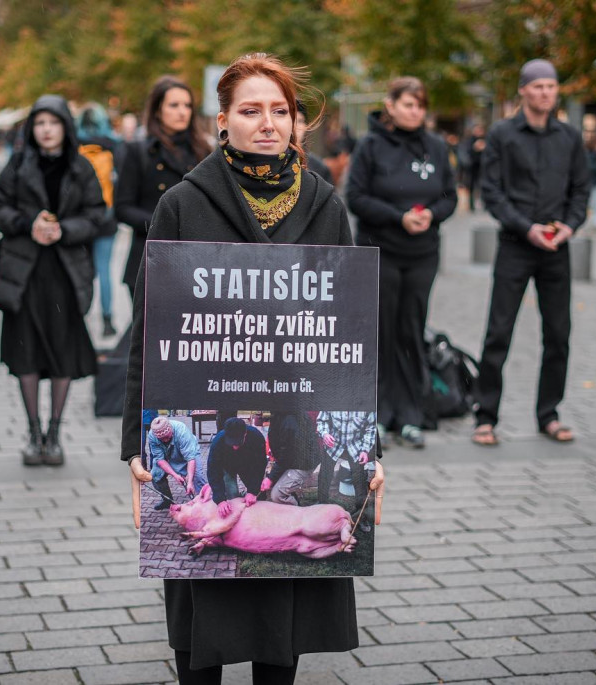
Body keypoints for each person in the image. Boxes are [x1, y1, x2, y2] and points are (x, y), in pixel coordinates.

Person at [122, 53, 385, 685]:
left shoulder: (325, 204)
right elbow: (150, 332)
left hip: (296, 409)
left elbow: (348, 333)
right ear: (222, 121)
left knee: (281, 620)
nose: (268, 123)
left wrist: (372, 447)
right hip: (205, 394)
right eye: (250, 110)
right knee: (204, 620)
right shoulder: (182, 204)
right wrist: (135, 443)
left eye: (280, 110)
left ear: (296, 121)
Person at [471, 59, 590, 446]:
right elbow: (492, 192)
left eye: (551, 86)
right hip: (516, 245)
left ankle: (549, 414)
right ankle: (485, 416)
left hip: (556, 248)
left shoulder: (569, 137)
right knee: (498, 332)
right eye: (538, 86)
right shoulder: (503, 134)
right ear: (523, 90)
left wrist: (570, 225)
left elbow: (581, 189)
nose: (545, 93)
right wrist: (526, 227)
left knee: (558, 334)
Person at [0, 95, 104, 465]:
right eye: (40, 123)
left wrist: (64, 230)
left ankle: (54, 433)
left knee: (62, 352)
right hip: (25, 272)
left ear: (65, 127)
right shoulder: (18, 163)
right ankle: (33, 432)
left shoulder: (80, 167)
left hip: (65, 273)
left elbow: (98, 215)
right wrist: (28, 224)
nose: (47, 130)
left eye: (53, 123)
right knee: (25, 352)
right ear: (31, 129)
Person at [346, 77, 458, 448]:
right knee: (380, 331)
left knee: (411, 331)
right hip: (380, 251)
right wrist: (398, 217)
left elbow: (450, 196)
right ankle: (378, 414)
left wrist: (431, 215)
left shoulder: (436, 146)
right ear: (390, 105)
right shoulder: (370, 146)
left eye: (420, 106)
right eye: (408, 104)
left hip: (422, 255)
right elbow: (356, 197)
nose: (415, 112)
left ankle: (410, 415)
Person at [115, 75, 211, 299]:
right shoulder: (138, 152)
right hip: (148, 257)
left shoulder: (204, 152)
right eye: (174, 105)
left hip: (195, 261)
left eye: (187, 105)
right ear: (158, 110)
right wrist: (161, 223)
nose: (182, 112)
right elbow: (122, 208)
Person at [76, 102, 121, 337]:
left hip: (81, 220)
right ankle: (107, 320)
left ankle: (79, 317)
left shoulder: (76, 148)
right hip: (107, 219)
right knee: (104, 270)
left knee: (82, 271)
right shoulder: (114, 147)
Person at [315, 411, 375, 527]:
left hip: (356, 446)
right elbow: (322, 420)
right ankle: (321, 505)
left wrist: (365, 450)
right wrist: (325, 434)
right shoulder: (333, 401)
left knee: (360, 481)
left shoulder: (365, 405)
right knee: (324, 475)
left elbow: (371, 428)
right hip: (333, 445)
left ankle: (361, 515)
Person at [206, 417, 268, 516]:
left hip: (248, 466)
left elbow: (260, 466)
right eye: (231, 443)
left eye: (238, 442)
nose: (235, 447)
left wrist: (253, 491)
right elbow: (213, 471)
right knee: (232, 497)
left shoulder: (256, 437)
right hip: (227, 467)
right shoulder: (218, 441)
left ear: (245, 434)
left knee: (258, 497)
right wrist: (220, 500)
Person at [262, 411, 324, 505]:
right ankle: (292, 500)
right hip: (291, 461)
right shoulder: (280, 414)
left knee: (277, 495)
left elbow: (287, 455)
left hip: (303, 464)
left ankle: (296, 511)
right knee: (278, 483)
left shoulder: (290, 421)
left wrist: (270, 478)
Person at [148, 416, 205, 509]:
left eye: (167, 437)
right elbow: (160, 459)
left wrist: (189, 481)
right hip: (166, 453)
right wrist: (175, 475)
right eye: (161, 439)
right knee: (155, 475)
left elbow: (190, 458)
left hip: (189, 451)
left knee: (197, 476)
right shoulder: (152, 435)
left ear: (171, 429)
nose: (165, 440)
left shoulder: (182, 431)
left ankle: (205, 502)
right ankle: (168, 501)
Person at [295, 100, 332, 183]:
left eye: (300, 121)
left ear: (306, 126)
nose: (295, 127)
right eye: (292, 120)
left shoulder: (319, 167)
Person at [461, 123, 486, 211]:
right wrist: (474, 148)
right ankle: (471, 204)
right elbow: (465, 154)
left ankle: (484, 203)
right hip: (472, 168)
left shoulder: (485, 140)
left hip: (482, 167)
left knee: (483, 185)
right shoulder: (469, 141)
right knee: (471, 186)